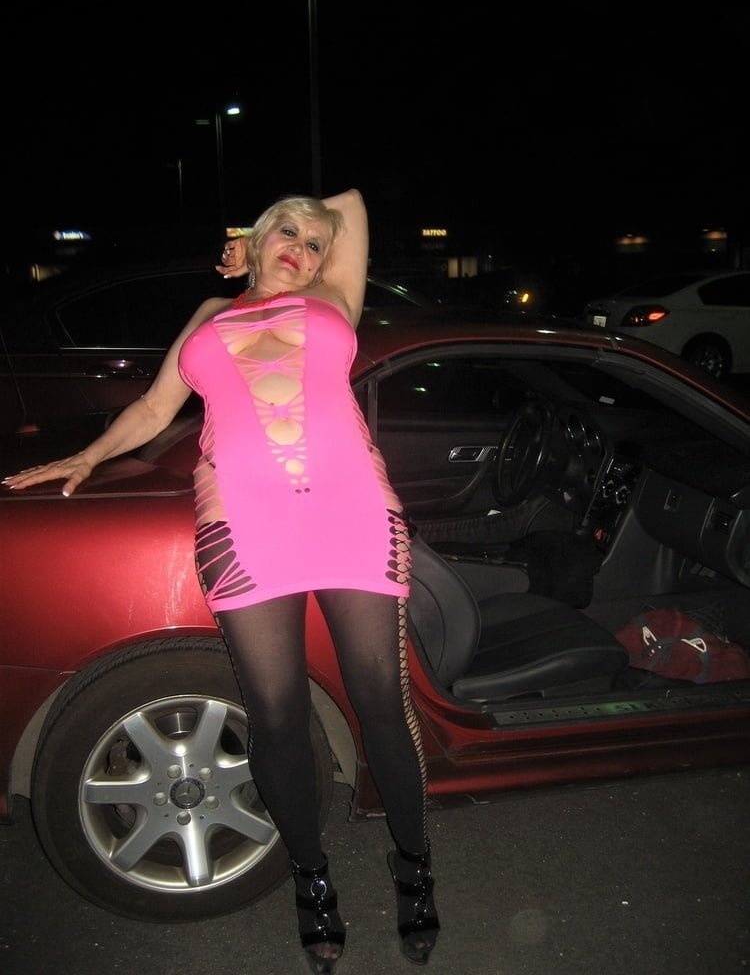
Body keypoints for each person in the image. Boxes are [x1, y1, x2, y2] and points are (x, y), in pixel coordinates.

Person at [3, 189, 439, 972]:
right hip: (244, 523)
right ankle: (311, 879)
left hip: (351, 510)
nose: (301, 249)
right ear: (256, 238)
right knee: (274, 714)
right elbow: (152, 409)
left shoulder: (334, 298)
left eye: (314, 243)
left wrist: (272, 236)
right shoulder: (210, 313)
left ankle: (413, 864)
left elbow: (350, 202)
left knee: (380, 699)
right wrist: (86, 457)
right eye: (287, 233)